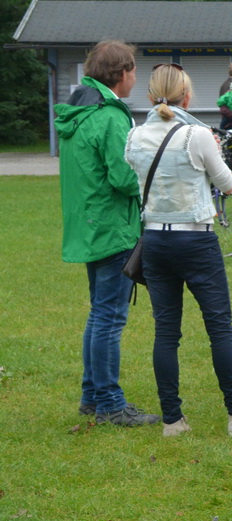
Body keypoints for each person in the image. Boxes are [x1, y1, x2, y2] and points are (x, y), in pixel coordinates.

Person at [124, 65, 232, 437]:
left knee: (166, 333)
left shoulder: (134, 135)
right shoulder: (197, 135)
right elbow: (228, 184)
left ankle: (172, 420)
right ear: (187, 95)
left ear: (151, 96)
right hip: (195, 239)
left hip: (154, 240)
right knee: (220, 329)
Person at [55, 39, 158, 427]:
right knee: (109, 318)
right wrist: (153, 180)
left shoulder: (80, 110)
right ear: (121, 73)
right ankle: (111, 404)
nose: (136, 78)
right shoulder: (110, 115)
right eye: (133, 71)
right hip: (112, 225)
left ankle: (92, 397)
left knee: (99, 314)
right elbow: (123, 175)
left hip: (90, 223)